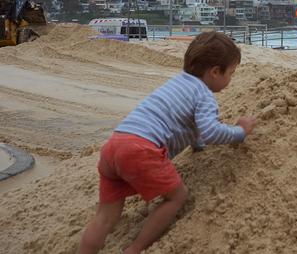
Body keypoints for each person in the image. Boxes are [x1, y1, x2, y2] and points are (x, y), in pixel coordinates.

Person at [78, 32, 257, 254]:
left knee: (104, 219)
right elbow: (210, 131)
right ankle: (135, 248)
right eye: (231, 73)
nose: (231, 79)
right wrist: (240, 131)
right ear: (215, 72)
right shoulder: (204, 95)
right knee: (177, 197)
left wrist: (197, 145)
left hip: (115, 145)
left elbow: (188, 125)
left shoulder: (177, 83)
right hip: (141, 150)